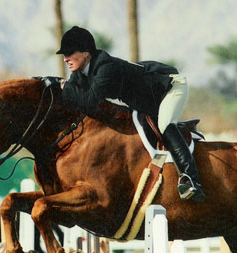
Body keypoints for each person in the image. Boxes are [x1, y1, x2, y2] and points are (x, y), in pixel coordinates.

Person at [50, 26, 205, 202]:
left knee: (165, 124)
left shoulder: (105, 67)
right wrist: (49, 83)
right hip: (148, 102)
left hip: (170, 87)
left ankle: (191, 180)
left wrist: (64, 86)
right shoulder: (80, 73)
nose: (65, 59)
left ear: (86, 52)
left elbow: (90, 100)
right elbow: (72, 94)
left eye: (69, 53)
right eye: (64, 55)